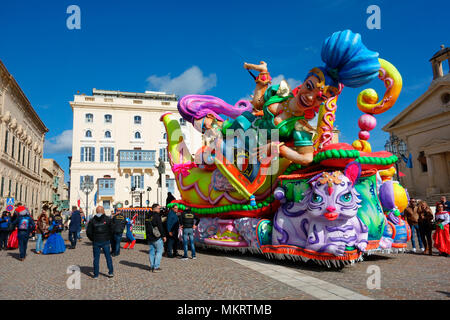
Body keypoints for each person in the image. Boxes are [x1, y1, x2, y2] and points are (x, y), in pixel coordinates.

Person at [86, 206, 114, 278]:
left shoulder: (92, 220)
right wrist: (109, 238)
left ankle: (96, 274)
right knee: (108, 257)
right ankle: (110, 272)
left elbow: (88, 232)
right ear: (103, 211)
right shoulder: (107, 219)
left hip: (96, 241)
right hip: (105, 241)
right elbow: (112, 230)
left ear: (96, 211)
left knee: (96, 258)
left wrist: (93, 239)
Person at [144, 204, 166, 272]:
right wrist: (163, 236)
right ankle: (156, 267)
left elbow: (146, 226)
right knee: (159, 251)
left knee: (151, 251)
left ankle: (152, 266)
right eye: (159, 208)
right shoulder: (157, 216)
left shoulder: (147, 216)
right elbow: (160, 227)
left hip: (149, 236)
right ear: (155, 208)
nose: (160, 210)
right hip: (156, 236)